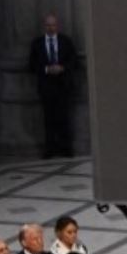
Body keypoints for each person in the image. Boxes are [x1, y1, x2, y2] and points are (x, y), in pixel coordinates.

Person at [30, 13, 79, 157]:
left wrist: (62, 68)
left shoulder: (66, 41)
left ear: (57, 26)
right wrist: (46, 69)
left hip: (63, 85)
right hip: (46, 86)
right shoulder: (37, 43)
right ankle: (50, 149)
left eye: (53, 25)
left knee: (64, 118)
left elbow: (74, 60)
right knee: (48, 119)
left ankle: (66, 148)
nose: (51, 28)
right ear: (44, 26)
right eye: (48, 25)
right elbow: (31, 64)